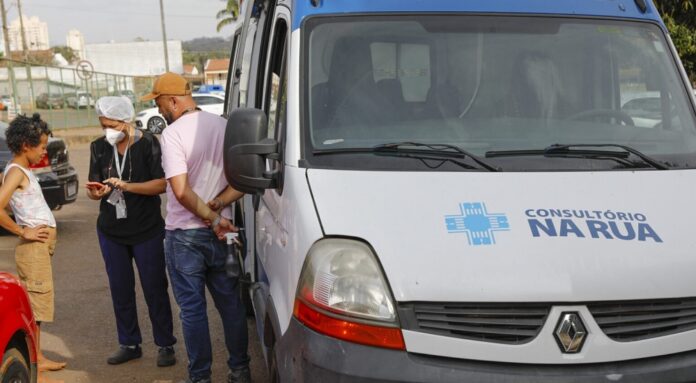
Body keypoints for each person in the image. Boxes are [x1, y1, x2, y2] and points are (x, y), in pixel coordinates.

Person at [141, 72, 250, 383]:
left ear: (173, 101)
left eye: (159, 102)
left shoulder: (173, 135)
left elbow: (180, 191)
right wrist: (218, 206)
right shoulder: (226, 127)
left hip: (185, 235)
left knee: (192, 311)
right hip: (225, 230)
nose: (159, 110)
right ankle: (240, 370)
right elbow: (243, 181)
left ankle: (200, 378)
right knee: (231, 305)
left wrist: (212, 217)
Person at [86, 96, 177, 367]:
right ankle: (129, 343)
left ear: (125, 121)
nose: (106, 131)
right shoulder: (98, 147)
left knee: (154, 287)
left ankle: (165, 344)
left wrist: (125, 186)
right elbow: (95, 188)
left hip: (146, 229)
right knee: (120, 289)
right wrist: (98, 192)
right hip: (111, 231)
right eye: (103, 125)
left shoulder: (148, 143)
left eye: (110, 125)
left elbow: (162, 184)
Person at [0, 113, 66, 382]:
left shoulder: (21, 170)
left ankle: (37, 353)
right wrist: (21, 230)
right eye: (41, 146)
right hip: (32, 247)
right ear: (26, 145)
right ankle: (37, 356)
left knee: (38, 302)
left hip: (39, 247)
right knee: (37, 303)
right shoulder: (16, 172)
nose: (43, 152)